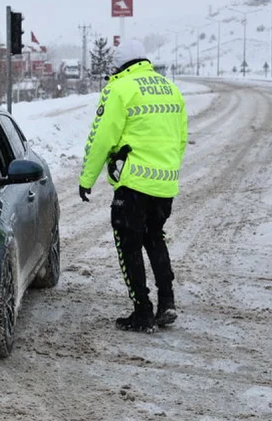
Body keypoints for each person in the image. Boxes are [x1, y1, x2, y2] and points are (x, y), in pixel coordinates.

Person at [78, 39, 188, 333]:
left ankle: (143, 312)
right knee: (155, 237)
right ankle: (167, 302)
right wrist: (166, 168)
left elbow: (101, 138)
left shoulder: (119, 88)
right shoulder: (170, 89)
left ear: (120, 66)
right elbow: (180, 139)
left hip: (134, 185)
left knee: (129, 246)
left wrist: (86, 179)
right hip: (165, 184)